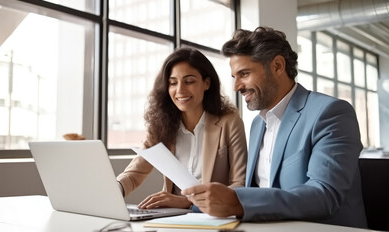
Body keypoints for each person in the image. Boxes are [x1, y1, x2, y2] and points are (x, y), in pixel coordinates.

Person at [182, 27, 367, 228]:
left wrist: (237, 201)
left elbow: (324, 195)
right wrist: (189, 203)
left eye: (244, 74)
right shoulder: (257, 124)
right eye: (235, 76)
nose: (237, 86)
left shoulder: (330, 113)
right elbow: (256, 191)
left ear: (278, 66)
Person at [117, 47, 247, 210]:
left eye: (189, 81)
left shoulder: (230, 122)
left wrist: (189, 202)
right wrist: (112, 191)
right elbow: (134, 173)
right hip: (172, 215)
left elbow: (240, 185)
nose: (180, 90)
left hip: (214, 216)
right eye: (173, 83)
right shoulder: (161, 126)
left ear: (206, 83)